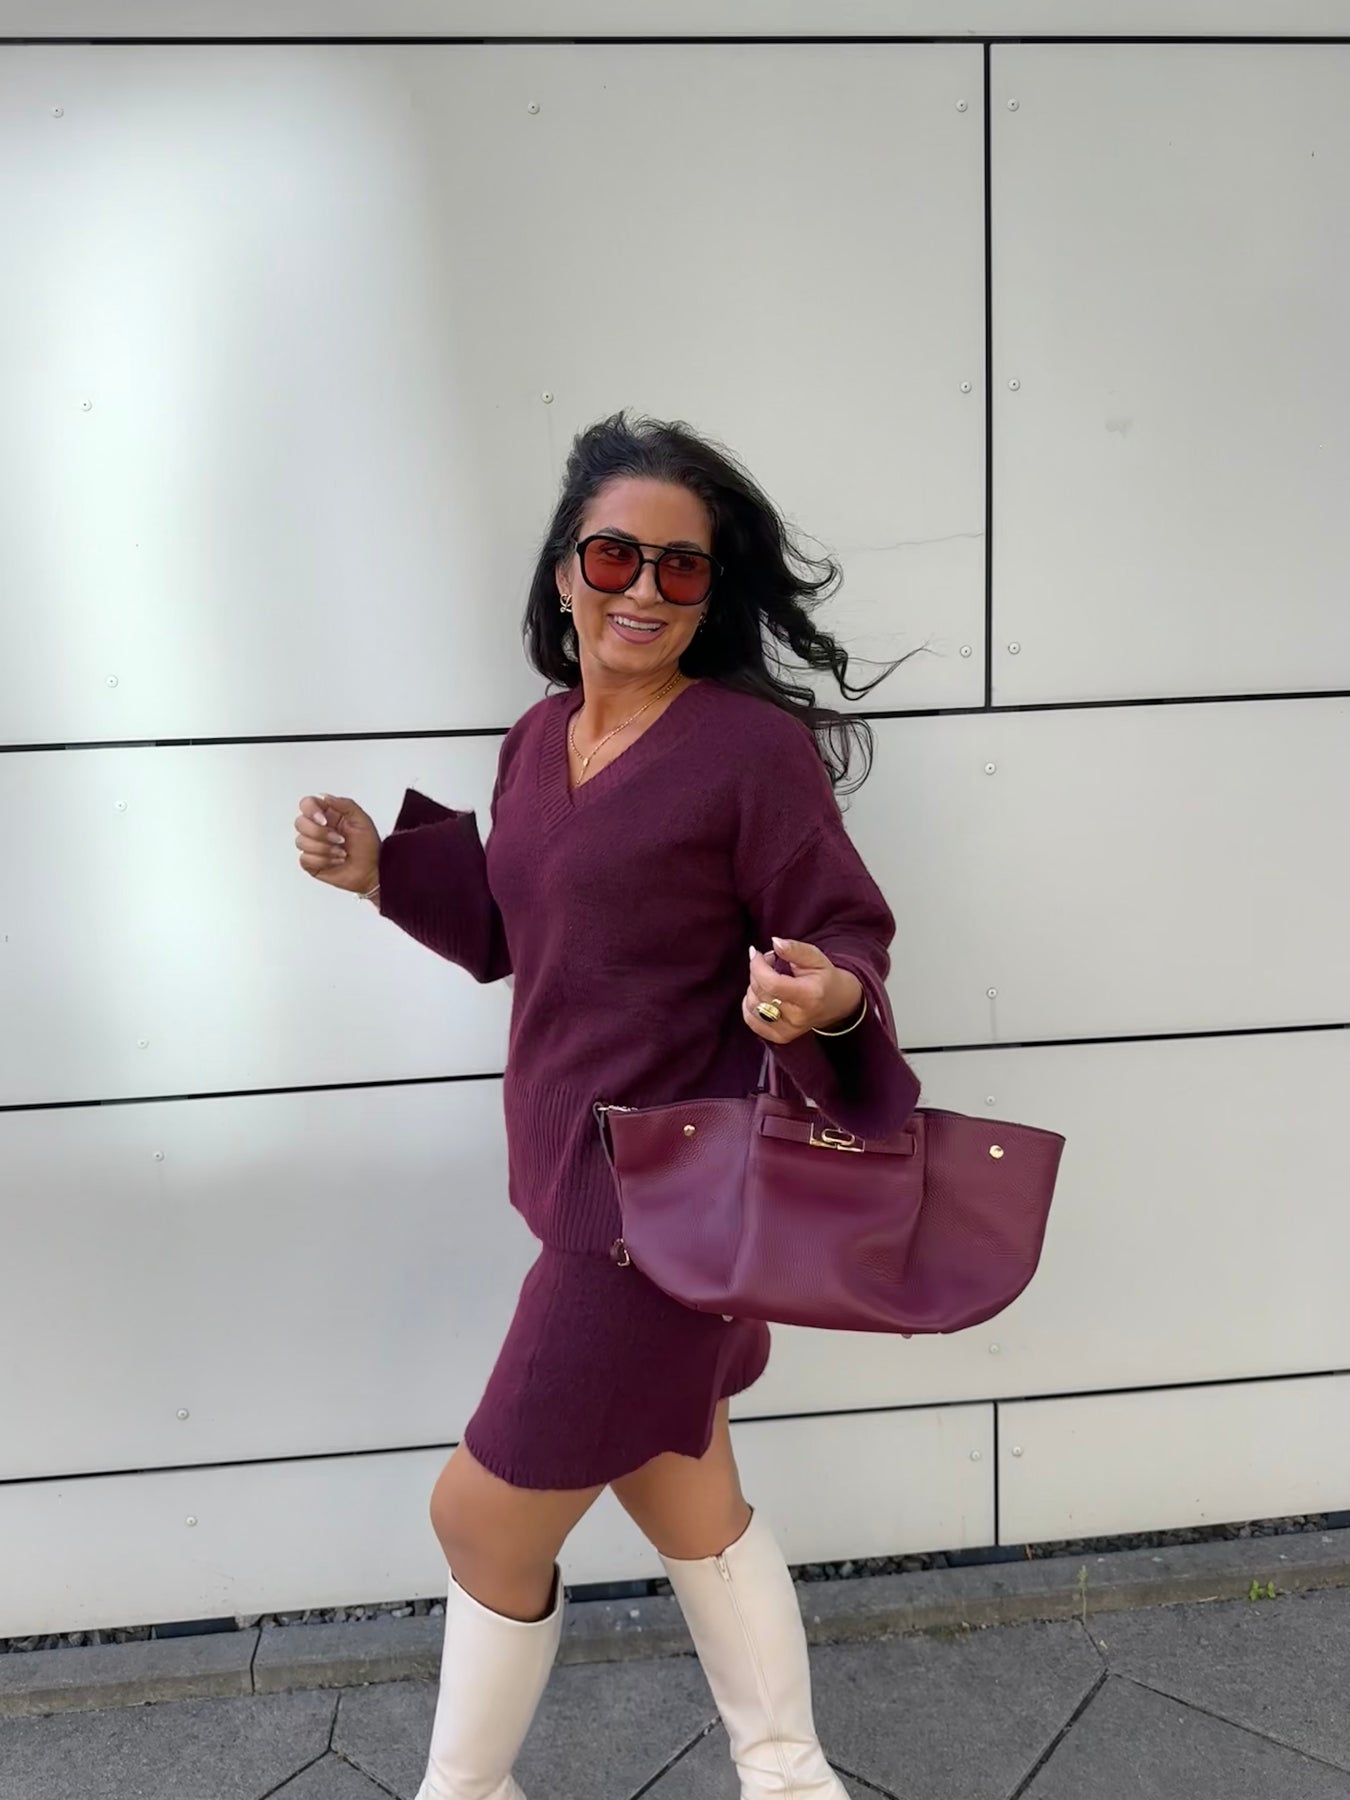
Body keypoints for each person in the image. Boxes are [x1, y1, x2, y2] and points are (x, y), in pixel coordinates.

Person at [293, 413, 920, 1799]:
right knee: (689, 1495)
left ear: (711, 592)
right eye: (616, 555)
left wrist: (824, 997)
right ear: (566, 570)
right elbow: (522, 926)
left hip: (657, 1210)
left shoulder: (746, 753)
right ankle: (787, 1775)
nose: (644, 588)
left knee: (479, 1518)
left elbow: (842, 932)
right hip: (577, 1183)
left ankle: (467, 1793)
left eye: (682, 568)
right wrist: (381, 871)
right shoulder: (537, 738)